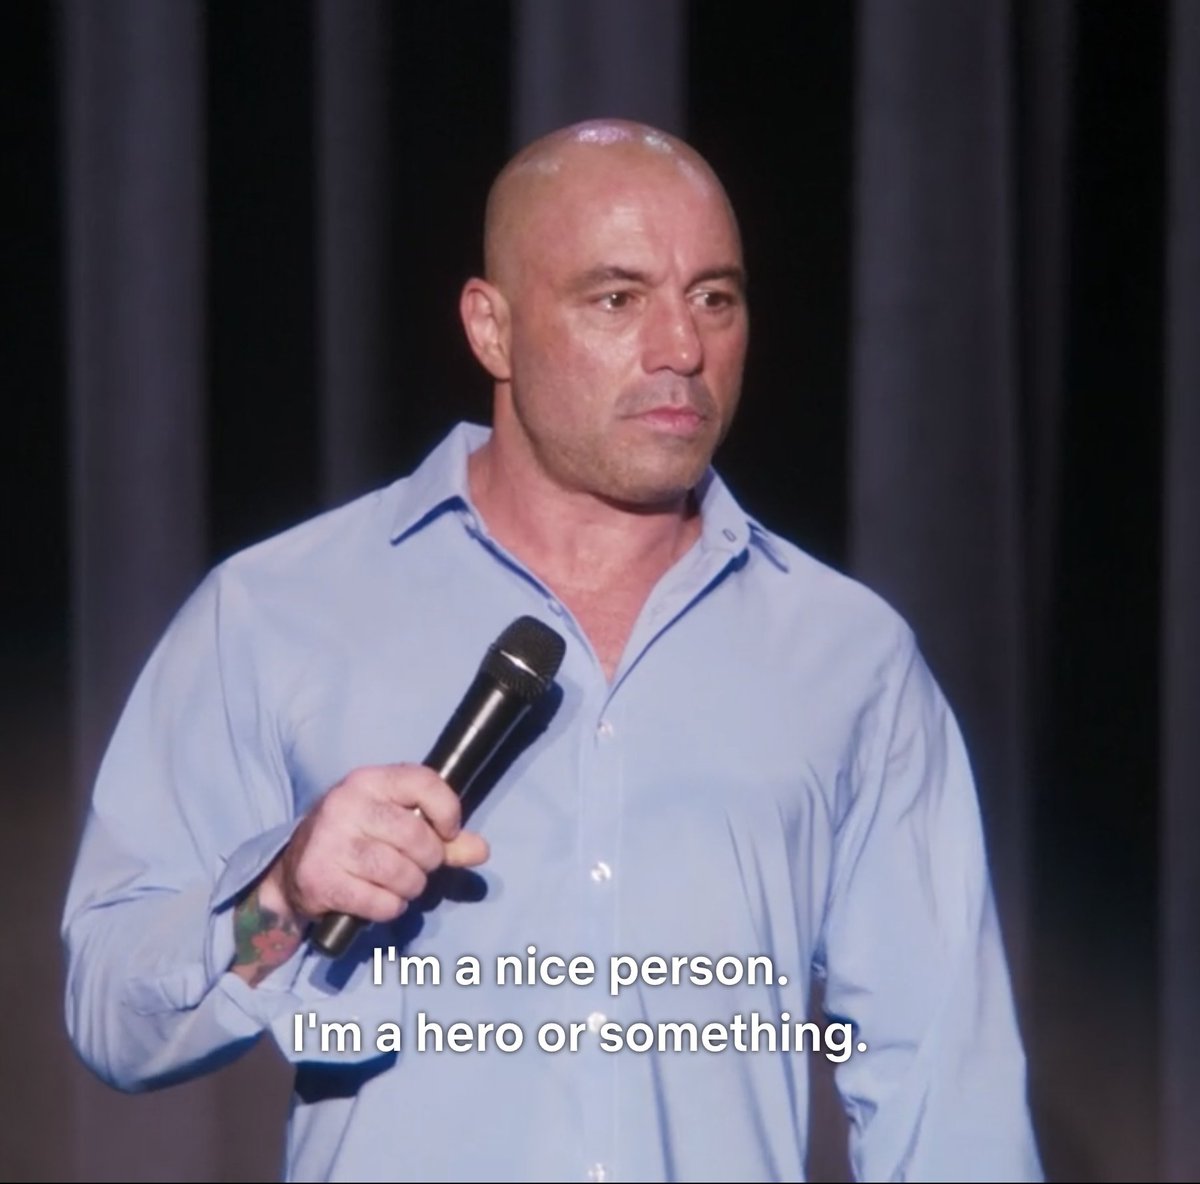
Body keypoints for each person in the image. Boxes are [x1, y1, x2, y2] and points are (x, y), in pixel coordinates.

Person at [62, 118, 1043, 1182]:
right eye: (617, 299)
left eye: (715, 298)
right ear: (492, 328)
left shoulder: (851, 660)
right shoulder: (277, 610)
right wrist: (283, 896)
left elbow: (946, 1094)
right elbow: (113, 1013)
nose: (681, 349)